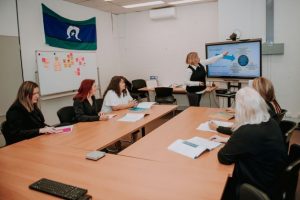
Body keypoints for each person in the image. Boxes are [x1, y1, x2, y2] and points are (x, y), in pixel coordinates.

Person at [215, 87, 287, 200]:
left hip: (257, 187)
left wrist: (231, 141)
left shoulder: (247, 131)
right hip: (273, 180)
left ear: (241, 109)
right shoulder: (270, 122)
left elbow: (223, 157)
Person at [209, 77, 282, 135]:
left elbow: (240, 132)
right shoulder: (268, 105)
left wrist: (217, 128)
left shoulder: (262, 110)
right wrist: (238, 111)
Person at [1, 81, 58, 145]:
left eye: (38, 93)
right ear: (25, 95)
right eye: (34, 94)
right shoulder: (15, 110)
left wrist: (50, 128)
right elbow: (17, 133)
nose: (37, 96)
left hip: (35, 141)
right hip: (21, 145)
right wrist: (40, 130)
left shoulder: (32, 105)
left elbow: (39, 123)